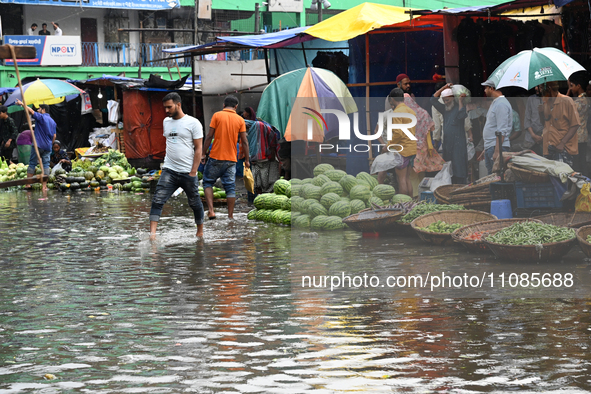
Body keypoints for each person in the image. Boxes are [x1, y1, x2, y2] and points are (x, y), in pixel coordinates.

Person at [149, 92, 205, 239]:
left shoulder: (193, 123)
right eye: (165, 108)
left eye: (169, 107)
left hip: (188, 171)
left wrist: (194, 171)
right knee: (157, 199)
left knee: (195, 202)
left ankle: (200, 231)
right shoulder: (166, 122)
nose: (166, 111)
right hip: (169, 169)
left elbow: (199, 148)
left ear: (178, 105)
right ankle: (152, 234)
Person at [201, 95, 250, 220]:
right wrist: (247, 160)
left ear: (223, 105)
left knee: (207, 183)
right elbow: (244, 142)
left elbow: (209, 136)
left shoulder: (217, 115)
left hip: (215, 157)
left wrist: (203, 153)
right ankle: (230, 216)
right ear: (236, 107)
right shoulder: (240, 120)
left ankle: (211, 211)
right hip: (231, 160)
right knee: (230, 187)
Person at [430, 84, 469, 183]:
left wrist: (460, 101)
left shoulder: (458, 107)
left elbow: (462, 115)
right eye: (444, 101)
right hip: (447, 146)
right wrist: (444, 87)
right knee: (449, 172)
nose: (446, 103)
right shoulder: (445, 109)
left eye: (447, 100)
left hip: (458, 147)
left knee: (459, 172)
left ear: (453, 98)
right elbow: (433, 100)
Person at [15, 100, 56, 190]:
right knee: (46, 165)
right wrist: (50, 144)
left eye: (39, 108)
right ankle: (44, 186)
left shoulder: (41, 117)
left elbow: (31, 111)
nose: (38, 110)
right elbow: (54, 136)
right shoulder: (53, 122)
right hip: (48, 146)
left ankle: (28, 184)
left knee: (32, 163)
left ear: (43, 110)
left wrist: (22, 104)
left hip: (38, 145)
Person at [383, 88, 416, 196]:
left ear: (392, 99)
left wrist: (388, 145)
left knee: (401, 179)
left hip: (402, 150)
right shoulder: (411, 111)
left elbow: (398, 134)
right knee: (407, 178)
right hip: (411, 149)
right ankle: (411, 203)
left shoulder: (396, 113)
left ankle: (404, 204)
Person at [540, 81, 580, 168]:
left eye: (541, 88)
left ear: (549, 89)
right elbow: (545, 123)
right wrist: (541, 112)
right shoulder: (546, 103)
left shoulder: (567, 101)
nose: (538, 90)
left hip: (562, 148)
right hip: (548, 148)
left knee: (562, 177)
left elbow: (575, 124)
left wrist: (562, 143)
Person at [403, 93, 445, 174]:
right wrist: (430, 147)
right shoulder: (423, 113)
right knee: (421, 172)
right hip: (423, 148)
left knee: (411, 174)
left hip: (409, 150)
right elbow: (428, 132)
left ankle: (414, 187)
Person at [477, 80, 513, 175]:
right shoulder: (495, 103)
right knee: (492, 176)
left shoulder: (501, 104)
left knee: (497, 176)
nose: (484, 91)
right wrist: (486, 148)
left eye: (486, 88)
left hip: (496, 148)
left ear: (491, 88)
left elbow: (502, 130)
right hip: (491, 146)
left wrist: (497, 151)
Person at [567, 71, 589, 174]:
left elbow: (564, 109)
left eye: (572, 86)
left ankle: (581, 184)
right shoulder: (585, 100)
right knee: (582, 161)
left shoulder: (578, 102)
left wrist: (568, 92)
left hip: (576, 137)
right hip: (583, 136)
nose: (571, 88)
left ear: (578, 86)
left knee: (576, 164)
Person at [523, 85, 544, 156]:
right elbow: (527, 119)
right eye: (535, 86)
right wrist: (533, 135)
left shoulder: (550, 99)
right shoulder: (531, 99)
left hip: (545, 138)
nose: (536, 88)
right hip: (530, 138)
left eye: (539, 86)